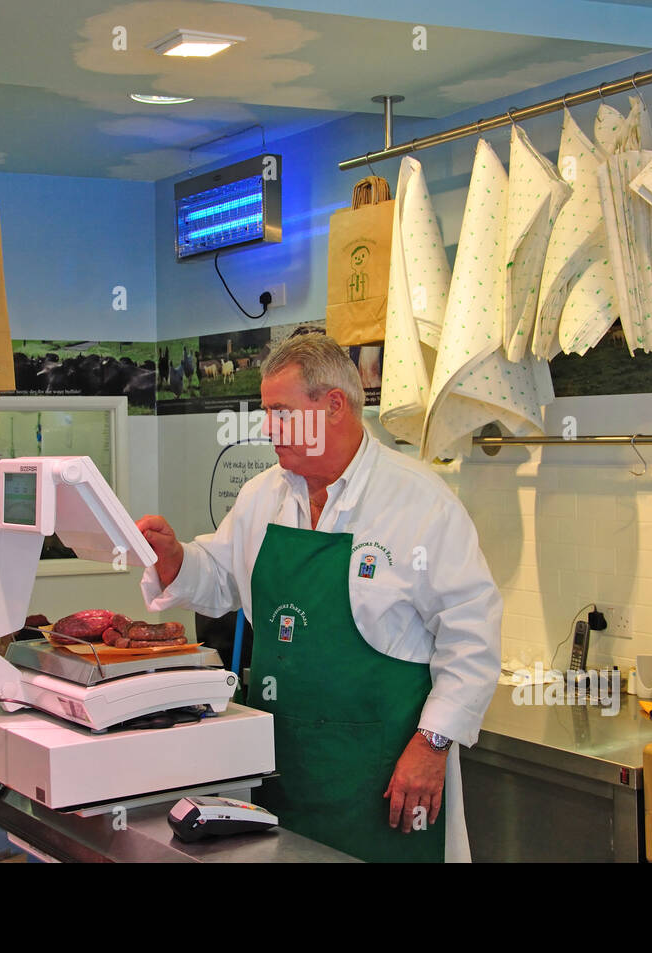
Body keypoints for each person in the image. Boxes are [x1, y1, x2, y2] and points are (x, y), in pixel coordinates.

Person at [136, 333, 502, 862]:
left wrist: (433, 745)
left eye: (280, 411)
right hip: (281, 765)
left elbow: (472, 635)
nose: (267, 428)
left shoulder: (420, 504)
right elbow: (218, 578)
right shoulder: (264, 495)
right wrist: (172, 557)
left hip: (383, 777)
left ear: (333, 406)